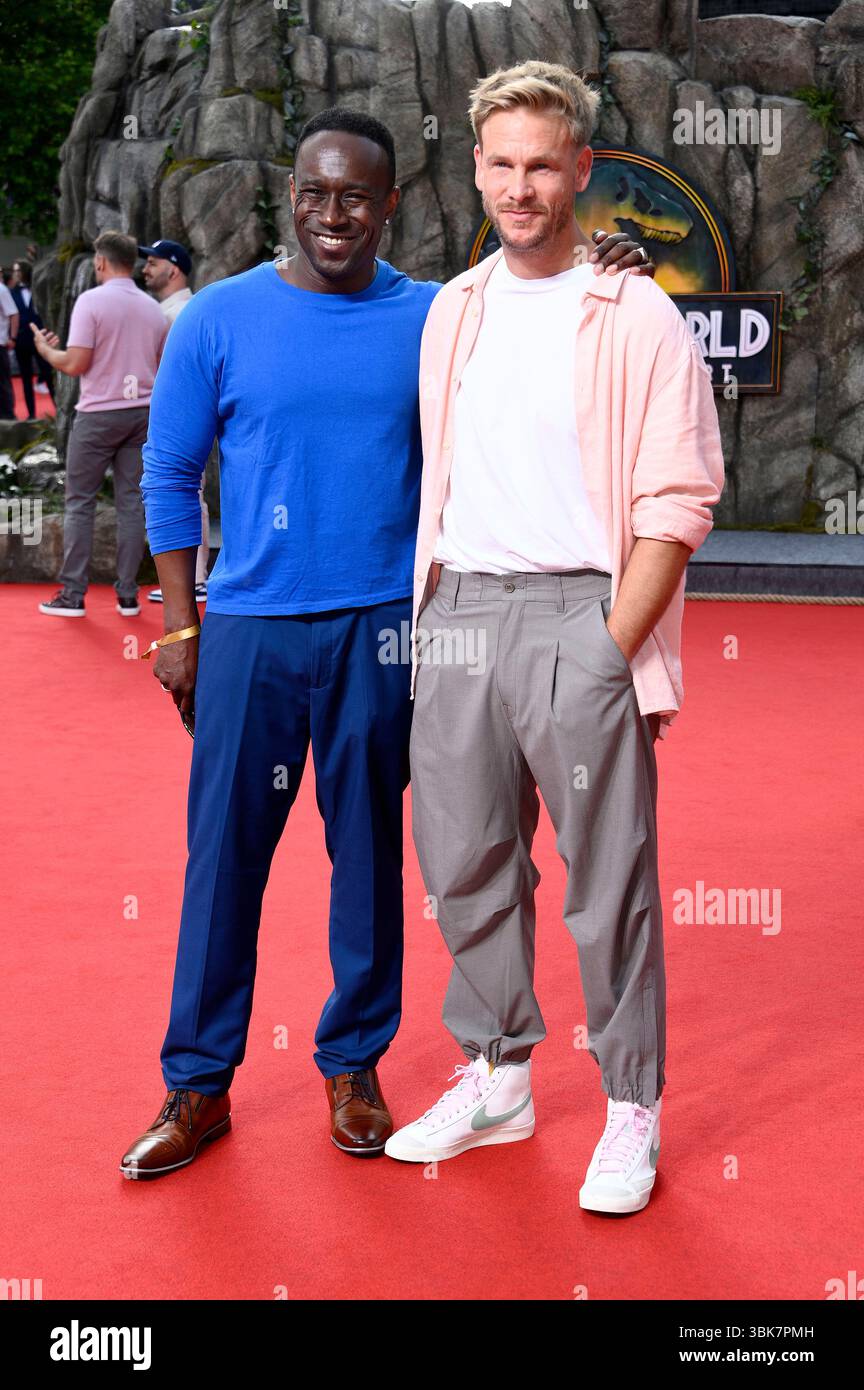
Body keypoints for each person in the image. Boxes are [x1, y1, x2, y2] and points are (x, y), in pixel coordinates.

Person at [118, 104, 653, 1180]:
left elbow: (538, 296)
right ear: (289, 198)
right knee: (222, 860)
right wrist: (180, 625)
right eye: (314, 192)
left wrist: (607, 262)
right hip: (249, 634)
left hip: (388, 633)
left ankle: (353, 1063)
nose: (333, 214)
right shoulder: (215, 320)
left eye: (356, 196)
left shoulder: (438, 316)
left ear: (390, 206)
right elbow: (168, 478)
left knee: (367, 855)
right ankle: (199, 1080)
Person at [384, 62, 725, 1217]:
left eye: (542, 164)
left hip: (583, 613)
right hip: (460, 618)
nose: (520, 186)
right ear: (474, 167)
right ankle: (500, 1075)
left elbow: (680, 499)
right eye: (501, 164)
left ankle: (632, 1103)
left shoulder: (637, 312)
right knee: (465, 864)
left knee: (608, 881)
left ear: (582, 170)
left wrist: (608, 642)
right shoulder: (454, 308)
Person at [32, 230, 168, 618]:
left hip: (97, 414)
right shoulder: (152, 308)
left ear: (102, 262)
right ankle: (128, 594)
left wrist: (45, 350)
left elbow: (76, 364)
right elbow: (158, 367)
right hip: (142, 413)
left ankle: (73, 594)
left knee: (79, 502)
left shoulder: (90, 302)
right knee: (131, 505)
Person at [137, 239, 209, 603]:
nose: (146, 269)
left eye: (153, 262)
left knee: (188, 491)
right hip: (177, 413)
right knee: (188, 490)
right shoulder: (169, 311)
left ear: (174, 269)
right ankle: (193, 578)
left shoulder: (183, 313)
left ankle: (194, 579)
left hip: (183, 415)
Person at [10, 261, 53, 420]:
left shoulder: (39, 289)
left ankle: (57, 409)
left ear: (25, 271)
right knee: (26, 378)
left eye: (18, 270)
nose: (15, 273)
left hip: (40, 337)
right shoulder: (11, 292)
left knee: (47, 373)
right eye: (14, 271)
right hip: (21, 340)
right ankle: (31, 414)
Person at [0, 273, 19, 419]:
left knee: (2, 381)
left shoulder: (2, 289)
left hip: (1, 343)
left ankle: (8, 416)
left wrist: (12, 337)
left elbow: (13, 314)